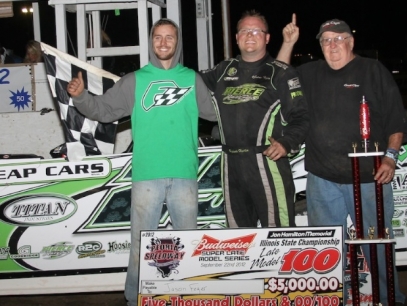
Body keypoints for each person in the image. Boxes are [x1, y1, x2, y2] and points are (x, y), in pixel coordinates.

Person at [66, 18, 216, 306]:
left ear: (177, 41)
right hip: (146, 175)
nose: (163, 43)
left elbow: (216, 114)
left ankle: (188, 297)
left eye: (169, 37)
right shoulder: (135, 80)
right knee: (140, 246)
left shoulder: (192, 79)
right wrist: (81, 97)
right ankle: (134, 299)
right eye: (158, 37)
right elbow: (105, 111)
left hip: (185, 174)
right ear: (151, 41)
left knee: (188, 244)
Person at [277, 16, 407, 306]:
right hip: (322, 178)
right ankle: (333, 299)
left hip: (370, 178)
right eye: (326, 41)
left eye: (338, 39)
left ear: (351, 42)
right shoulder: (311, 73)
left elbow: (396, 121)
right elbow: (280, 76)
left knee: (377, 246)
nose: (332, 45)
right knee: (327, 248)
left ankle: (390, 299)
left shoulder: (373, 70)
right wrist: (288, 42)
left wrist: (390, 158)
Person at [199, 10, 309, 228]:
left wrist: (287, 143)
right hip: (231, 165)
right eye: (244, 31)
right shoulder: (222, 70)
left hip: (267, 162)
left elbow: (302, 117)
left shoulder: (282, 73)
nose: (250, 35)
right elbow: (186, 83)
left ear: (267, 38)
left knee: (278, 237)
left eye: (256, 30)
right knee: (240, 242)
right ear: (237, 37)